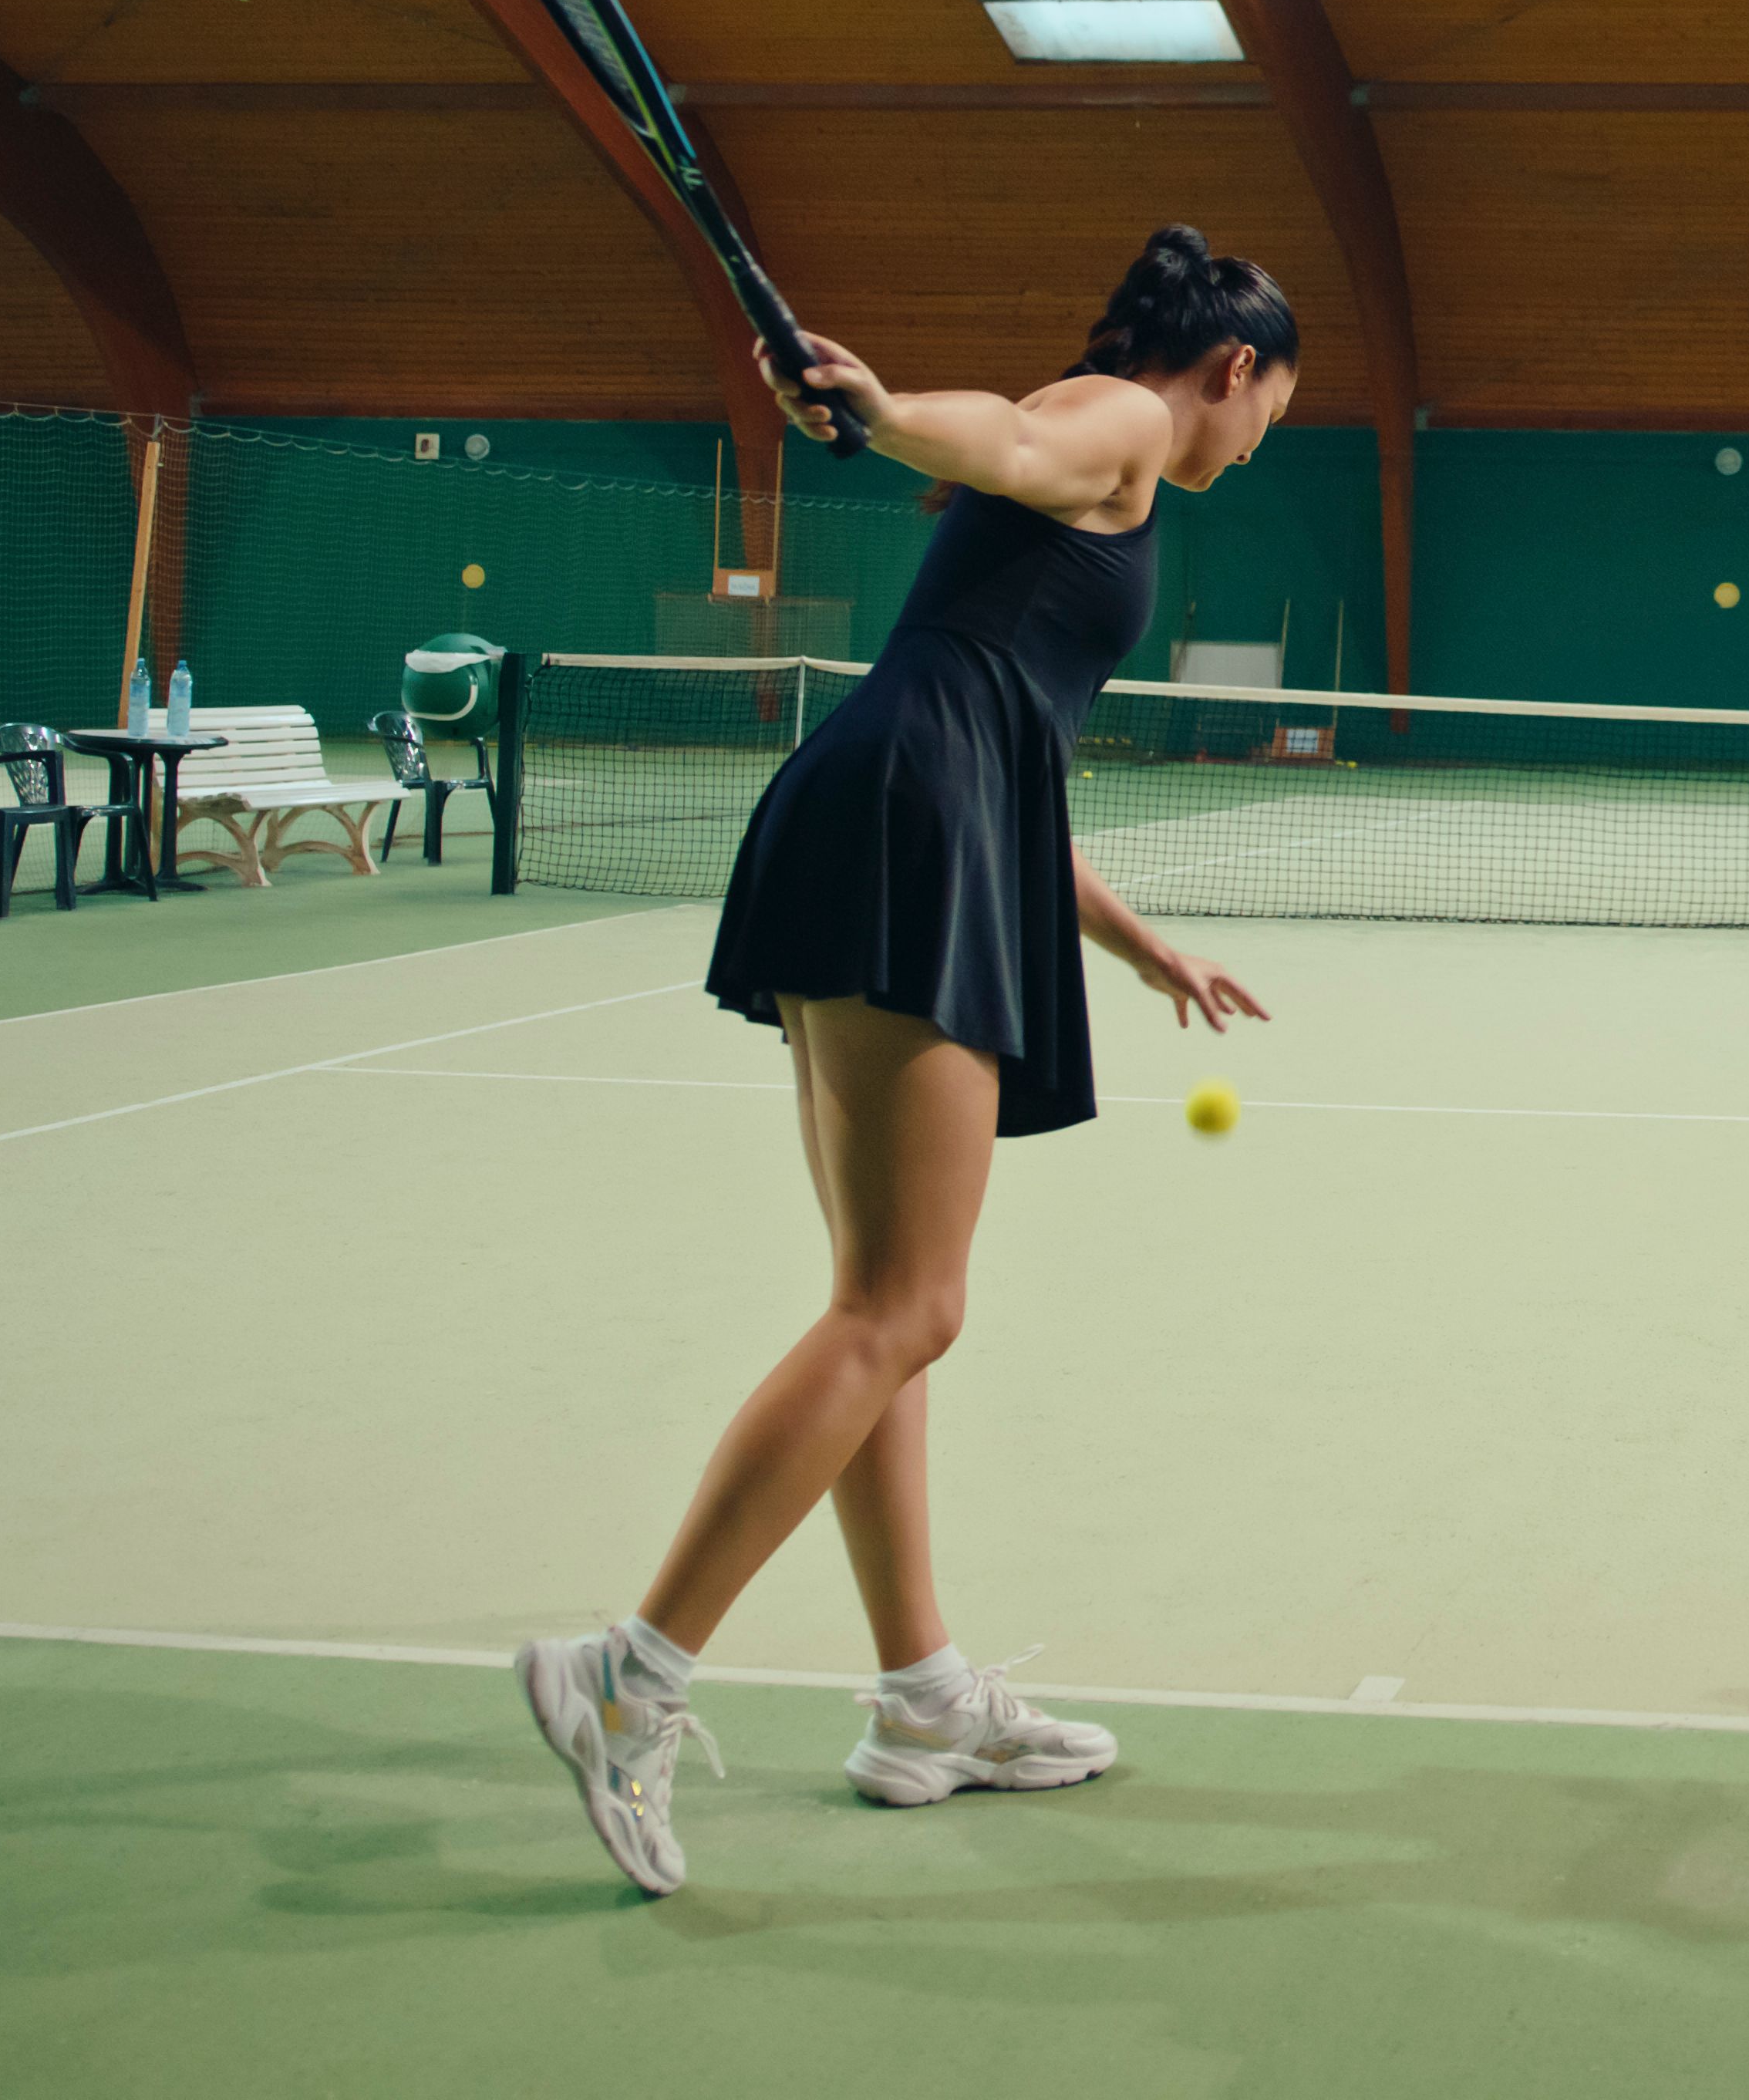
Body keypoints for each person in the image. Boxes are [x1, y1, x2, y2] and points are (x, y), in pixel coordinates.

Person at [511, 225, 1293, 1898]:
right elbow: (1003, 436)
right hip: (911, 822)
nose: (1252, 447)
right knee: (905, 1310)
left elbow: (1009, 731)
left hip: (910, 806)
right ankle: (631, 1676)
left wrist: (1142, 944)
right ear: (1233, 368)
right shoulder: (1121, 420)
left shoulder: (1094, 463)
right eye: (1269, 416)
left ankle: (924, 1700)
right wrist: (876, 412)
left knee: (887, 1308)